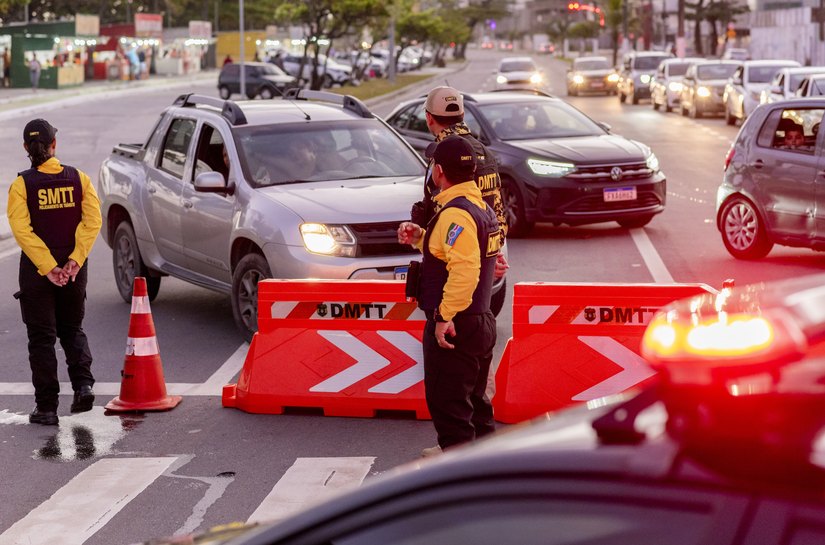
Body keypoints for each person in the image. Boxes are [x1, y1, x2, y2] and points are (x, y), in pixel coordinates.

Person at [398, 136, 501, 457]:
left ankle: (461, 484)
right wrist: (423, 239)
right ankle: (486, 469)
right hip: (480, 321)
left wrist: (444, 317)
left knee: (450, 408)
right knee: (475, 402)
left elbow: (465, 269)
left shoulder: (455, 214)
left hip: (458, 325)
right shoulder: (480, 207)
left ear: (438, 171)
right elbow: (466, 252)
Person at [7, 119, 103, 426]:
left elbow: (21, 230)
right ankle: (83, 386)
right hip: (73, 271)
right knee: (72, 328)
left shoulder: (22, 185)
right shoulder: (80, 179)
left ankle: (47, 408)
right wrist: (74, 261)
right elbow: (92, 222)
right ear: (54, 145)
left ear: (25, 148)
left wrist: (48, 267)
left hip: (37, 273)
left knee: (41, 338)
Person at [412, 86, 508, 278]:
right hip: (484, 257)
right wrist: (492, 253)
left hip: (452, 263)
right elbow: (498, 213)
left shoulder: (444, 154)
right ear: (462, 114)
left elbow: (440, 214)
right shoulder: (484, 152)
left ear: (429, 118)